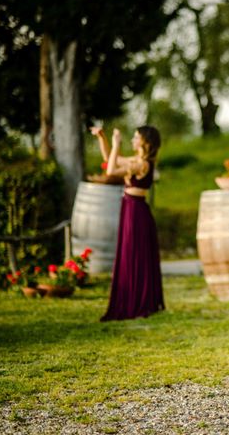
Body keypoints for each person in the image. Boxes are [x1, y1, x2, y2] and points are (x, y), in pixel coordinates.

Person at [90, 125, 165, 322]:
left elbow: (111, 170)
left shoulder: (143, 164)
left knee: (134, 255)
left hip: (136, 212)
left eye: (136, 137)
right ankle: (135, 297)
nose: (132, 140)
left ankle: (139, 301)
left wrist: (116, 144)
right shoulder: (136, 161)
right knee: (129, 254)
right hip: (130, 208)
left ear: (145, 142)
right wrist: (102, 138)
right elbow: (109, 160)